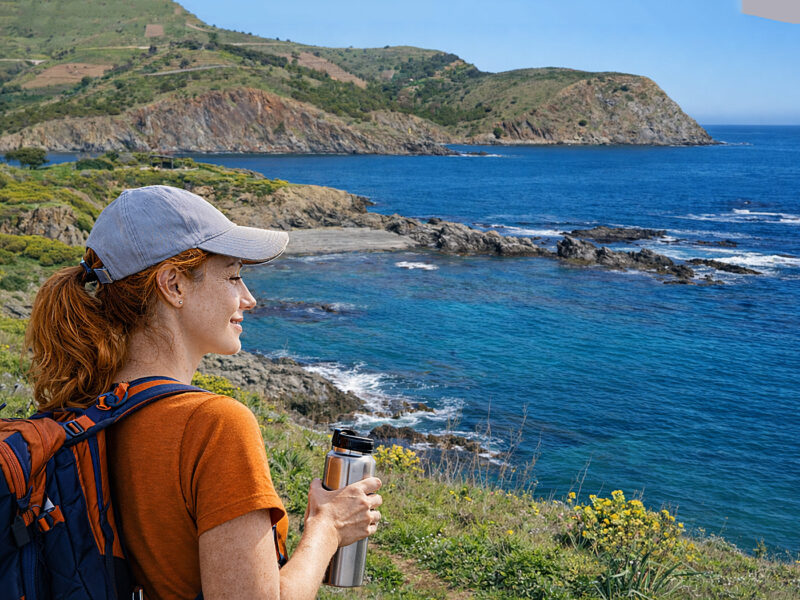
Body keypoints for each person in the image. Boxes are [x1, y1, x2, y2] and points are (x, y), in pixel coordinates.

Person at [25, 185, 382, 599]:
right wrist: (328, 529)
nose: (249, 298)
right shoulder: (213, 426)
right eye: (233, 275)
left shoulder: (76, 407)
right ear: (173, 285)